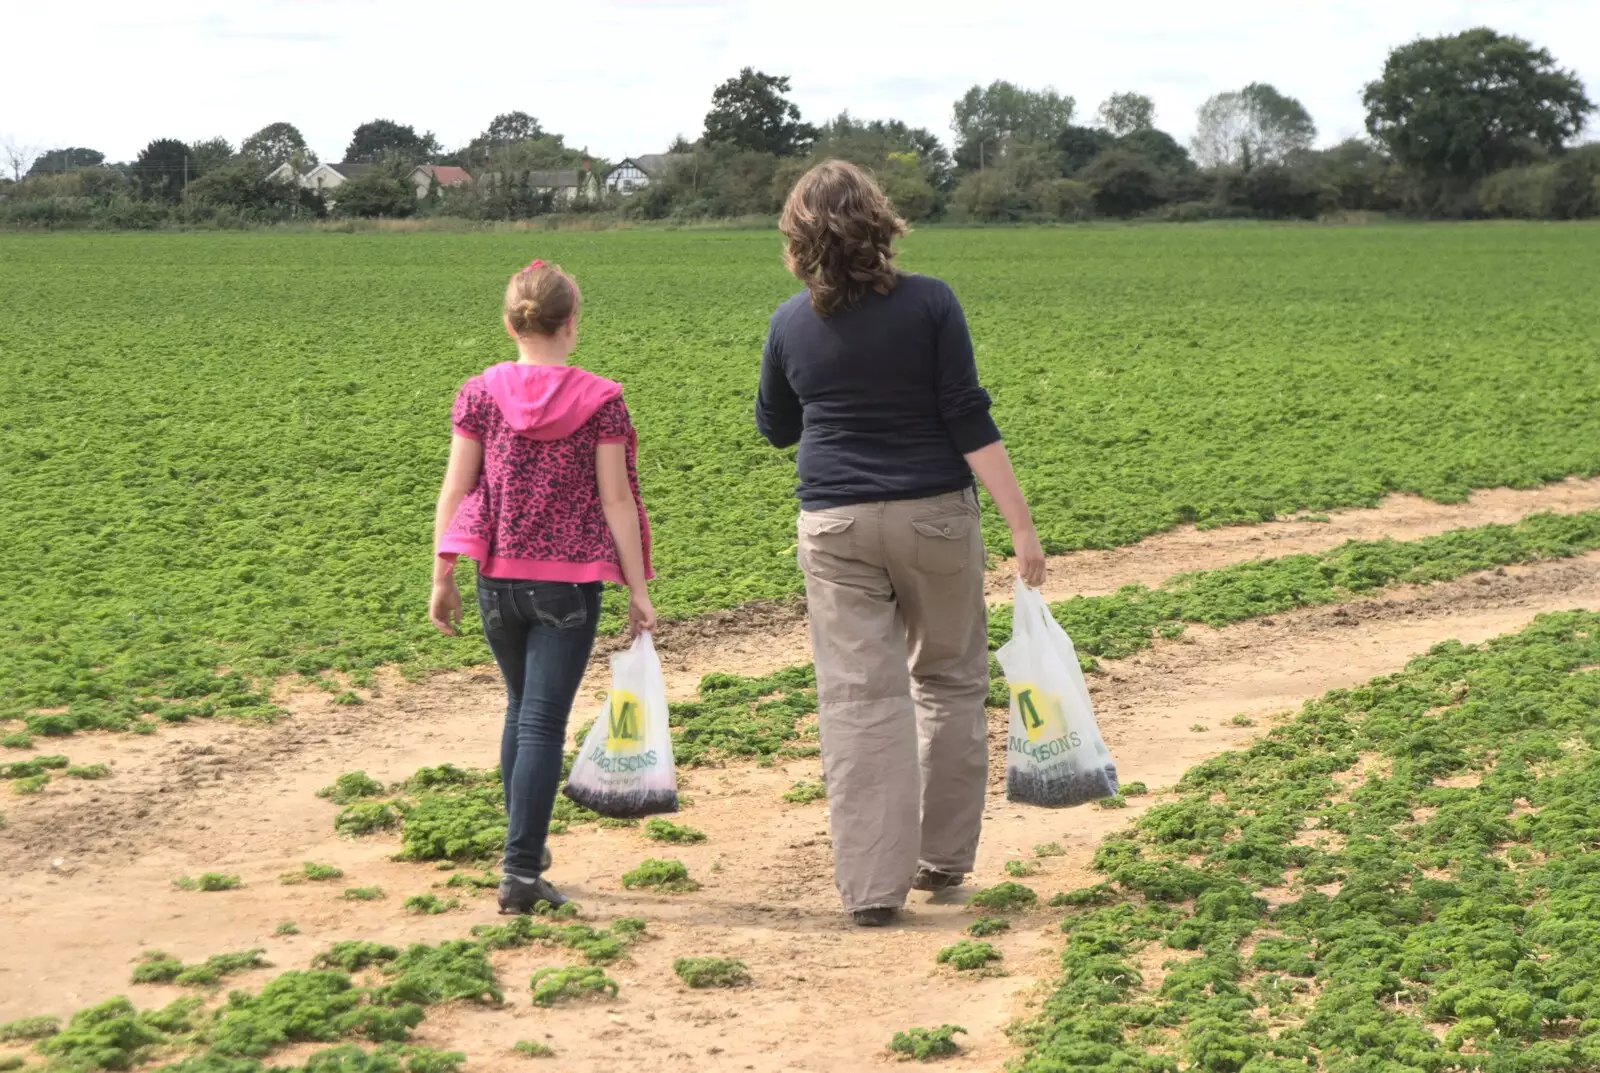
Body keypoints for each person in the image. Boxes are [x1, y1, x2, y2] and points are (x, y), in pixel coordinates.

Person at [756, 161, 1047, 927]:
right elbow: (967, 415)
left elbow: (777, 427)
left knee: (859, 697)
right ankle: (941, 857)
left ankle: (872, 890)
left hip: (835, 524)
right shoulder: (931, 304)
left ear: (798, 242)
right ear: (881, 225)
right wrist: (1020, 525)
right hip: (935, 517)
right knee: (948, 680)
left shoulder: (790, 323)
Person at [429, 258, 656, 913]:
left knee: (520, 709)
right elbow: (616, 500)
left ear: (510, 323)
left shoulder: (479, 393)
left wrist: (442, 573)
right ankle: (522, 870)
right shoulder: (602, 401)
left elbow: (456, 488)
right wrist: (638, 588)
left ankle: (520, 843)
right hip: (568, 589)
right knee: (540, 724)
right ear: (572, 324)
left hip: (496, 581)